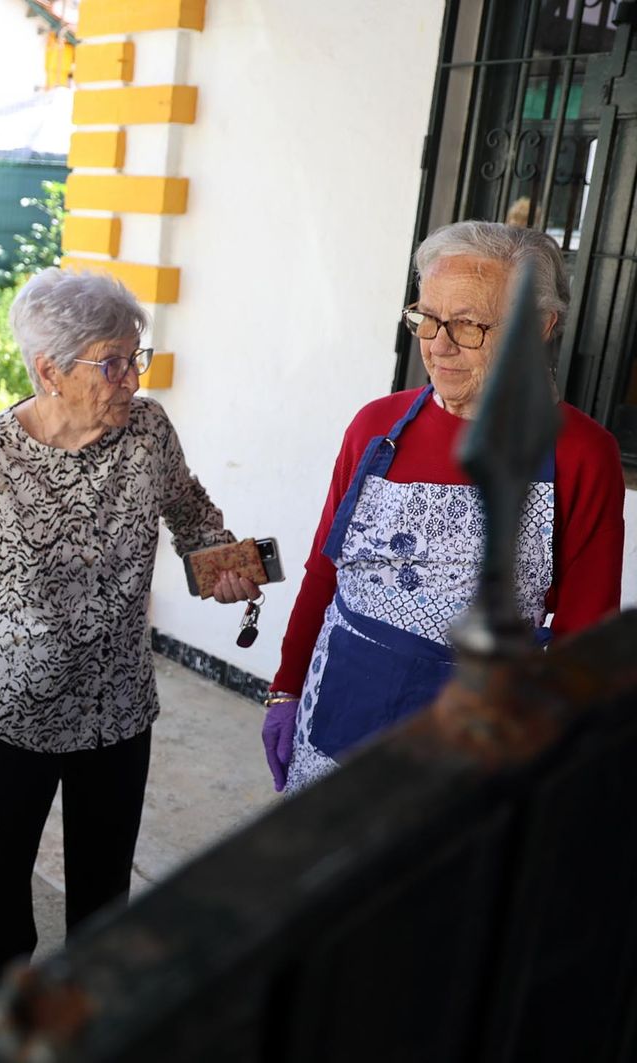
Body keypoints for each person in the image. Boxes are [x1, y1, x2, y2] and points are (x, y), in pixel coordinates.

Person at [0, 267, 256, 985]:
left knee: (103, 899)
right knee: (1, 896)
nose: (130, 379)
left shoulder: (148, 432)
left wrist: (219, 563)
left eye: (135, 357)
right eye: (112, 363)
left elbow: (191, 512)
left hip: (118, 707)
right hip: (14, 717)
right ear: (48, 370)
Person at [262, 220, 625, 795]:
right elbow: (324, 571)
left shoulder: (580, 453)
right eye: (426, 318)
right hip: (336, 715)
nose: (437, 343)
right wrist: (285, 688)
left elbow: (586, 634)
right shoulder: (376, 428)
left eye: (468, 324)